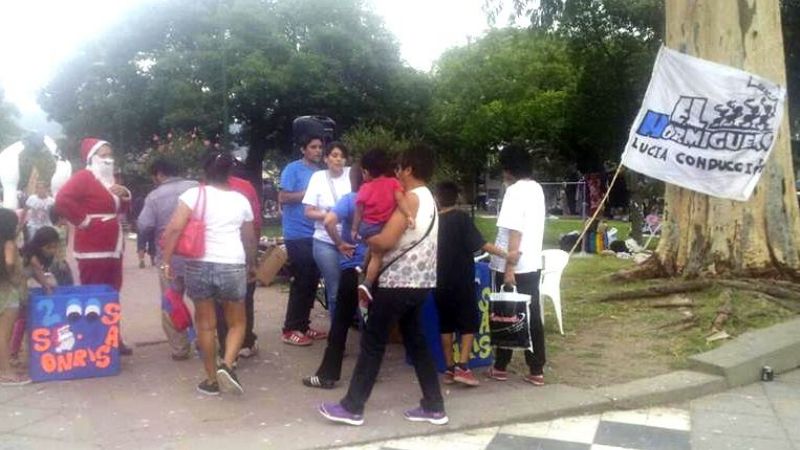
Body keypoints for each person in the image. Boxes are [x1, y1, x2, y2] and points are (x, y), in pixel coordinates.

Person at [319, 145, 447, 427]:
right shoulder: (430, 198)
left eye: (399, 168)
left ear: (409, 169)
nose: (396, 173)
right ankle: (434, 406)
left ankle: (352, 407)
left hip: (398, 282)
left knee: (373, 342)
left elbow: (386, 241)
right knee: (416, 343)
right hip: (421, 282)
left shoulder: (411, 198)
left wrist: (366, 239)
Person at [160, 152, 257, 396]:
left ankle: (212, 380)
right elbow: (249, 238)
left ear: (205, 171)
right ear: (229, 173)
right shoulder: (241, 200)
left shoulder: (193, 195)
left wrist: (166, 261)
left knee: (205, 325)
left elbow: (174, 229)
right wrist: (252, 264)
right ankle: (228, 364)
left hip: (198, 265)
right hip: (232, 264)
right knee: (237, 323)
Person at [55, 137, 134, 355]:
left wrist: (125, 195)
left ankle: (113, 336)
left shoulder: (110, 180)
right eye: (103, 155)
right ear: (92, 158)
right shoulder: (83, 177)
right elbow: (62, 200)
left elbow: (120, 209)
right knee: (93, 294)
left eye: (110, 155)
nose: (108, 159)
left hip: (113, 247)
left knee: (113, 292)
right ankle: (94, 340)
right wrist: (83, 221)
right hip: (92, 249)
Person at [433, 181, 515, 387]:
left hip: (438, 281)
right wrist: (506, 255)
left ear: (437, 199)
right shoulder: (461, 218)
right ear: (457, 198)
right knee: (468, 324)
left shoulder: (433, 222)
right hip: (462, 280)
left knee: (446, 325)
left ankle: (449, 368)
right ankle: (463, 367)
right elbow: (481, 244)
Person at [488, 145, 547, 386]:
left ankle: (501, 365)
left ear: (509, 168)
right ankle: (536, 367)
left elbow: (515, 230)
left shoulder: (514, 191)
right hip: (532, 262)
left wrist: (509, 269)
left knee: (505, 313)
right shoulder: (537, 189)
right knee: (531, 315)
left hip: (511, 263)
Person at [302, 165, 365, 389]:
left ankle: (328, 375)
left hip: (352, 265)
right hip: (375, 266)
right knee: (371, 319)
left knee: (340, 321)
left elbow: (329, 221)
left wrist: (340, 244)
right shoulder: (385, 201)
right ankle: (368, 370)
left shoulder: (350, 199)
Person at [137, 158, 198, 361]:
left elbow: (144, 225)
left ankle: (180, 348)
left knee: (172, 302)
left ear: (159, 174)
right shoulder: (196, 187)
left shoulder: (154, 196)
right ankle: (205, 341)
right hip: (198, 255)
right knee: (203, 302)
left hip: (169, 259)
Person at [350, 149, 413, 306]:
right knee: (377, 256)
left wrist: (354, 229)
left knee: (372, 248)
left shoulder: (364, 188)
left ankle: (363, 268)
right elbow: (400, 200)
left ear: (366, 171)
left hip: (366, 227)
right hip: (381, 226)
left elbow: (359, 211)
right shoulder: (393, 183)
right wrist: (408, 215)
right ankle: (367, 283)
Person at [280, 135, 326, 346]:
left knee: (312, 280)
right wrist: (309, 193)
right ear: (303, 149)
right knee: (302, 279)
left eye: (320, 147)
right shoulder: (293, 169)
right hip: (297, 233)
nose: (318, 151)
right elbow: (283, 197)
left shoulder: (320, 172)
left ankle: (303, 326)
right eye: (313, 147)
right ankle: (290, 329)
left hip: (316, 232)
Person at [216, 161, 262, 359]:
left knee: (218, 303)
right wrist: (253, 260)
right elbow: (255, 224)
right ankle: (245, 343)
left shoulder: (200, 190)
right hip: (239, 252)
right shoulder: (245, 187)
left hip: (211, 256)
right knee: (244, 299)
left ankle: (224, 348)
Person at [303, 142, 351, 319]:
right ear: (326, 158)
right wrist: (330, 215)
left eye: (342, 156)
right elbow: (308, 212)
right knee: (334, 288)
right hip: (325, 241)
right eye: (334, 155)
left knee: (352, 287)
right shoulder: (318, 178)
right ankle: (337, 329)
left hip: (350, 241)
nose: (338, 160)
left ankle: (353, 323)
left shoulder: (352, 174)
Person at [0, 208, 30, 386]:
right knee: (4, 335)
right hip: (8, 291)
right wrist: (12, 277)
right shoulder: (9, 244)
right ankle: (5, 373)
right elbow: (10, 262)